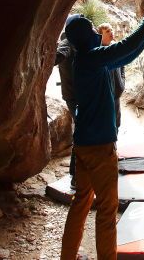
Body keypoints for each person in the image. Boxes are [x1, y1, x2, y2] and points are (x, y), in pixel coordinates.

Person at [60, 0, 144, 260]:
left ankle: (67, 257)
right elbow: (126, 46)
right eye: (91, 28)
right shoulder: (93, 59)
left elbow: (125, 56)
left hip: (82, 146)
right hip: (99, 147)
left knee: (81, 202)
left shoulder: (87, 60)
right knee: (107, 209)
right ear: (86, 35)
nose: (96, 30)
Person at [55, 18, 80, 185]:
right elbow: (59, 55)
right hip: (74, 97)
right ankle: (76, 175)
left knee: (81, 131)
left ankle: (75, 173)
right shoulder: (68, 42)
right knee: (82, 133)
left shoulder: (76, 42)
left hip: (76, 95)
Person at [97, 23, 125, 130]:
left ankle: (114, 145)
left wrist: (122, 82)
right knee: (105, 124)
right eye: (107, 31)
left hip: (116, 93)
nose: (111, 33)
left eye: (111, 30)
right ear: (100, 35)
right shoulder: (98, 51)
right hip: (104, 96)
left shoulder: (116, 47)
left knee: (117, 123)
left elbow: (123, 66)